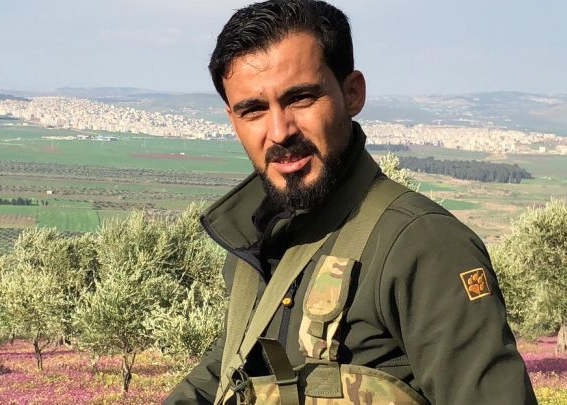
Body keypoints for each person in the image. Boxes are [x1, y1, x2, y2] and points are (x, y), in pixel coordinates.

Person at [165, 1, 537, 404]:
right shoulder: (257, 240)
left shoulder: (422, 245)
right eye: (253, 110)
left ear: (352, 93)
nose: (280, 131)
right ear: (232, 120)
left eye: (301, 98)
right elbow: (228, 366)